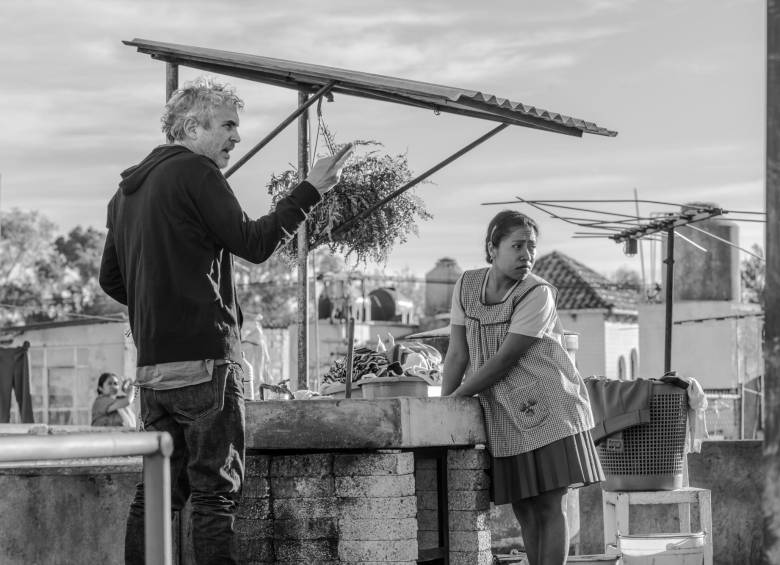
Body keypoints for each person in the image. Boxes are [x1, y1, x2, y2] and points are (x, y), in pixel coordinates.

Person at [99, 76, 353, 565]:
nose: (237, 137)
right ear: (192, 127)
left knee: (156, 496)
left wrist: (159, 308)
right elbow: (254, 244)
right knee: (216, 497)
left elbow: (112, 278)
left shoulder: (124, 193)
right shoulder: (197, 173)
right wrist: (310, 190)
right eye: (229, 126)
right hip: (207, 367)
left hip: (153, 373)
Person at [442, 210, 603, 565]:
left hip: (550, 409)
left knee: (547, 505)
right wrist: (443, 409)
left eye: (531, 246)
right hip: (505, 415)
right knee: (524, 510)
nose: (526, 255)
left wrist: (457, 398)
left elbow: (504, 360)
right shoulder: (466, 287)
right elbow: (457, 353)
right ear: (492, 248)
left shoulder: (538, 293)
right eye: (517, 246)